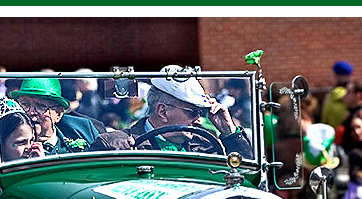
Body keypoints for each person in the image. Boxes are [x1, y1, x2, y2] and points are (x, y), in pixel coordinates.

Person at [89, 65, 252, 158]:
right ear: (163, 112)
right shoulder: (112, 144)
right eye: (193, 112)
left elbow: (246, 178)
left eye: (201, 112)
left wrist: (229, 131)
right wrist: (122, 160)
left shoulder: (208, 143)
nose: (199, 120)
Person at [8, 77, 100, 155]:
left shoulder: (82, 128)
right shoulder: (8, 137)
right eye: (25, 104)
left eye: (41, 106)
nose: (31, 112)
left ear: (58, 114)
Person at [321, 61, 353, 129]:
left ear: (337, 76)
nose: (330, 77)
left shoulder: (333, 95)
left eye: (332, 74)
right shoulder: (351, 94)